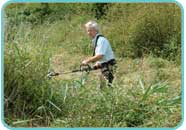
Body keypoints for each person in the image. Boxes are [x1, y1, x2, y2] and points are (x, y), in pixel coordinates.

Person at [81, 20, 116, 88]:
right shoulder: (96, 40)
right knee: (102, 88)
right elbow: (103, 58)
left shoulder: (101, 40)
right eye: (87, 31)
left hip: (109, 67)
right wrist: (96, 65)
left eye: (90, 30)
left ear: (96, 30)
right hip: (104, 66)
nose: (88, 33)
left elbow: (100, 55)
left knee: (108, 88)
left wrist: (86, 61)